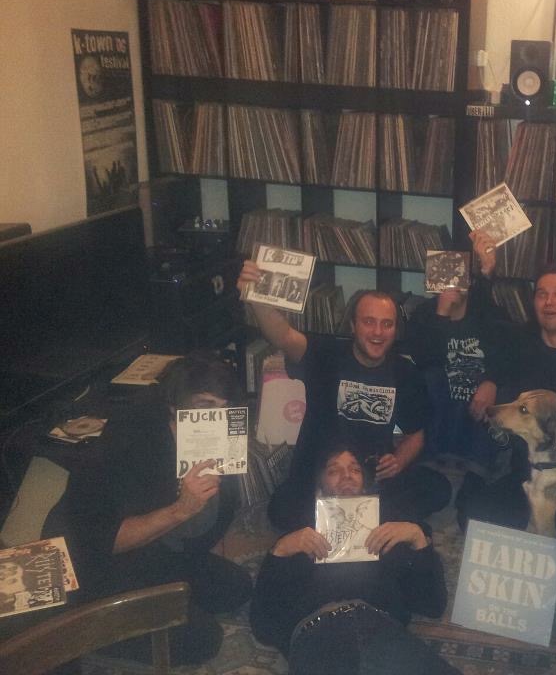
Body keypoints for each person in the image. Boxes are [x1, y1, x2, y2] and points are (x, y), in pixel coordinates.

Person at [45, 353, 253, 666]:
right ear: (173, 406)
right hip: (96, 567)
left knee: (236, 587)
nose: (215, 418)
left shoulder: (220, 439)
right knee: (203, 639)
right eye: (204, 405)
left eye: (223, 408)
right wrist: (181, 509)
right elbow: (99, 542)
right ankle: (86, 633)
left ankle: (159, 604)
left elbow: (212, 524)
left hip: (160, 552)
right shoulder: (127, 443)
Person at [236, 263, 451, 532]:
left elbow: (416, 434)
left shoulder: (404, 372)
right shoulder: (326, 354)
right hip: (320, 471)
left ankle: (350, 520)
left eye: (386, 324)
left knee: (439, 488)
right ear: (353, 325)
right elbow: (283, 336)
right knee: (283, 510)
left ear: (395, 330)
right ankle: (366, 521)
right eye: (368, 322)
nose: (377, 332)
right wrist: (258, 299)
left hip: (372, 475)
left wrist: (399, 461)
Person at [250, 444, 458, 675]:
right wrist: (279, 552)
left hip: (380, 630)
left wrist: (418, 539)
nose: (346, 475)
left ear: (365, 483)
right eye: (334, 470)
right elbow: (263, 626)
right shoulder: (300, 539)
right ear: (320, 486)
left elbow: (432, 605)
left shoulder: (388, 533)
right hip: (319, 635)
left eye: (355, 469)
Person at [456, 260, 556, 531]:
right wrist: (490, 380)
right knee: (473, 518)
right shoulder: (519, 344)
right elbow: (484, 325)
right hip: (520, 466)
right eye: (542, 294)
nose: (549, 302)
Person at [404, 231, 509, 468]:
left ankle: (477, 469)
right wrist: (441, 315)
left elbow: (508, 353)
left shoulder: (486, 311)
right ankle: (436, 461)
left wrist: (492, 381)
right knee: (431, 380)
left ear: (469, 280)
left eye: (458, 273)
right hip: (441, 407)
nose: (451, 282)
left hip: (478, 406)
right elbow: (424, 360)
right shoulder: (423, 315)